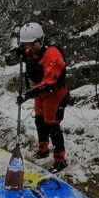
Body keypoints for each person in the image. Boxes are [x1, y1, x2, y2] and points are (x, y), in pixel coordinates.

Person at [15, 22, 70, 173]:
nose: (30, 47)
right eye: (27, 44)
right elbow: (31, 56)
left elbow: (49, 83)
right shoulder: (35, 49)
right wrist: (22, 53)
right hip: (40, 93)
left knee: (51, 125)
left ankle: (60, 160)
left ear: (41, 39)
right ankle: (43, 150)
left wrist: (27, 95)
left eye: (32, 44)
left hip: (54, 93)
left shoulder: (52, 55)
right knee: (39, 120)